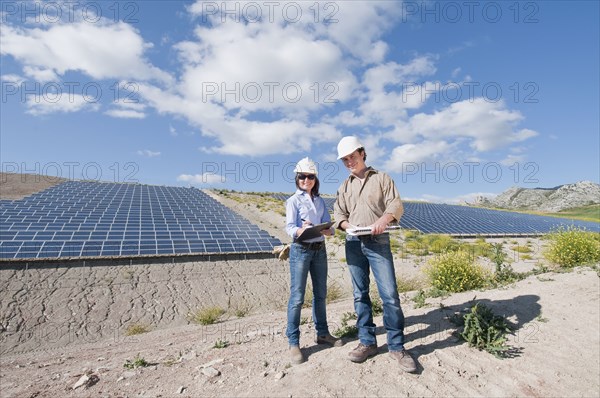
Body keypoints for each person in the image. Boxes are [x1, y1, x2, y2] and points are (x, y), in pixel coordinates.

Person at [333, 136, 417, 373]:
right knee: (360, 294)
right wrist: (345, 225)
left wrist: (384, 220)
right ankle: (367, 343)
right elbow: (339, 213)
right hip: (353, 242)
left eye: (352, 156)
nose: (349, 161)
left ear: (362, 153)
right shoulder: (344, 186)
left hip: (378, 240)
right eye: (345, 159)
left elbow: (395, 204)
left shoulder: (382, 178)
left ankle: (397, 346)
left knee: (389, 294)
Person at [285, 157, 342, 364]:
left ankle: (322, 334)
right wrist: (302, 229)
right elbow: (290, 227)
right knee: (298, 297)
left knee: (321, 294)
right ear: (297, 178)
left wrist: (328, 229)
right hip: (301, 250)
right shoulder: (293, 201)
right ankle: (293, 343)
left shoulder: (319, 201)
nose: (306, 180)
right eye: (302, 177)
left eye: (310, 177)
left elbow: (330, 229)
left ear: (315, 179)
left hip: (320, 250)